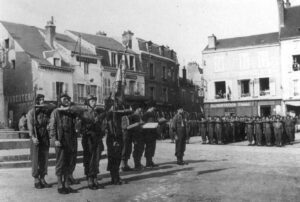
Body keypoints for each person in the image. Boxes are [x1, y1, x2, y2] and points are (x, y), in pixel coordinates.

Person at [49, 93, 78, 194]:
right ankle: (60, 185)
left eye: (68, 99)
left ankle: (66, 184)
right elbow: (52, 127)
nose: (66, 100)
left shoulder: (70, 112)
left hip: (70, 139)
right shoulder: (56, 112)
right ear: (60, 100)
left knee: (69, 162)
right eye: (64, 99)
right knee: (60, 163)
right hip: (60, 139)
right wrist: (55, 139)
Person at [81, 95, 105, 190]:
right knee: (89, 158)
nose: (94, 102)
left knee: (96, 158)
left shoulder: (97, 112)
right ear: (87, 102)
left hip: (97, 138)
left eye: (94, 101)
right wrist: (94, 121)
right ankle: (89, 178)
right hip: (88, 138)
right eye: (91, 101)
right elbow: (83, 125)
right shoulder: (84, 112)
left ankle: (95, 177)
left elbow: (102, 124)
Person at [106, 97, 132, 185]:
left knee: (117, 159)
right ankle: (114, 178)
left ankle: (116, 177)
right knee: (113, 159)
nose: (117, 106)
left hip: (118, 137)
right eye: (116, 104)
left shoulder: (116, 115)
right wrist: (114, 139)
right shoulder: (110, 116)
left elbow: (124, 113)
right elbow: (110, 129)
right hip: (113, 138)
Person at [27, 94, 51, 189]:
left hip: (44, 136)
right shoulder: (31, 113)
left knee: (44, 158)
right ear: (36, 101)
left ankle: (42, 178)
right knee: (36, 158)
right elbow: (30, 125)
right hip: (36, 137)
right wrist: (33, 137)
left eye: (43, 99)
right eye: (40, 100)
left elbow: (49, 122)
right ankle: (36, 179)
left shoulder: (45, 113)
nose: (42, 101)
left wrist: (49, 126)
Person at [127, 106, 144, 170]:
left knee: (141, 149)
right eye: (140, 108)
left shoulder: (139, 115)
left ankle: (138, 163)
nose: (141, 109)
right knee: (137, 149)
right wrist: (138, 124)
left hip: (140, 134)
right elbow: (130, 126)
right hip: (135, 135)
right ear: (136, 109)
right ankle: (136, 164)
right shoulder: (133, 116)